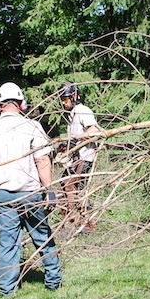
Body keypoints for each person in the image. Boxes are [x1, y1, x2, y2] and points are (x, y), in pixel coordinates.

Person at [0, 82, 63, 297]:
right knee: (42, 236)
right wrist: (50, 192)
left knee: (7, 242)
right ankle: (53, 281)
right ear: (21, 103)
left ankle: (7, 290)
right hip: (31, 193)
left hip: (3, 195)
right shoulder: (32, 127)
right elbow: (42, 159)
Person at [58, 82, 103, 232]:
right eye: (62, 100)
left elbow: (94, 131)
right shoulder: (72, 114)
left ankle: (76, 222)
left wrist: (76, 139)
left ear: (74, 96)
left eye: (65, 99)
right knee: (66, 186)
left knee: (70, 185)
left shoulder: (82, 110)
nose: (64, 103)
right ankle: (81, 222)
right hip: (75, 158)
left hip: (84, 157)